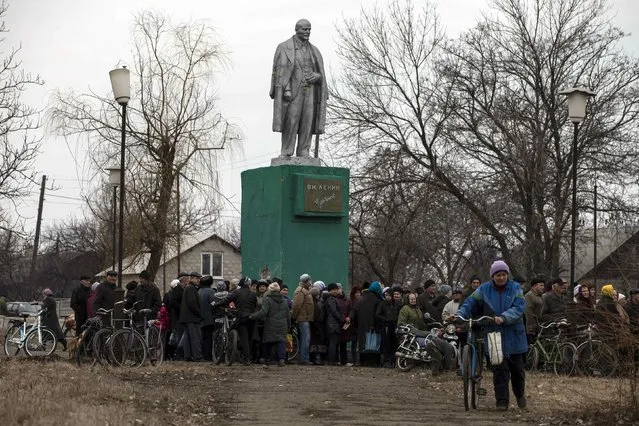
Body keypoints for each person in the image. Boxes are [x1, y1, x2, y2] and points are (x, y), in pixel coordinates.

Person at [455, 260, 527, 411]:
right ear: (493, 276)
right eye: (498, 275)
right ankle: (502, 401)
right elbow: (470, 303)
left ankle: (520, 395)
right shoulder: (483, 289)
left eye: (503, 274)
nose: (501, 278)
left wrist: (504, 317)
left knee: (518, 372)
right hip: (494, 335)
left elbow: (519, 307)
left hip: (514, 335)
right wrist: (460, 314)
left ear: (507, 275)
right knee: (499, 370)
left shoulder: (515, 288)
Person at [270, 19, 328, 158]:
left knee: (307, 122)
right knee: (291, 121)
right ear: (297, 29)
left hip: (310, 93)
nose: (308, 32)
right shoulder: (284, 47)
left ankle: (304, 151)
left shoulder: (314, 51)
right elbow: (278, 71)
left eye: (309, 29)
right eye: (305, 29)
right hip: (292, 92)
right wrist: (286, 89)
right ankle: (286, 151)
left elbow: (322, 75)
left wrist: (317, 76)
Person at [249, 282, 291, 366]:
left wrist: (252, 316)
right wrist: (289, 326)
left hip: (270, 324)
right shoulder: (284, 300)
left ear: (270, 290)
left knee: (268, 342)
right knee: (281, 341)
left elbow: (263, 312)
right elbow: (288, 315)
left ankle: (266, 359)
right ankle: (281, 359)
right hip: (283, 324)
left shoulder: (268, 299)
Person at [352, 281, 383, 366]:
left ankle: (362, 361)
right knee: (373, 343)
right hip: (374, 326)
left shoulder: (360, 299)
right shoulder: (377, 299)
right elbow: (377, 314)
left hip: (361, 325)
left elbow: (354, 312)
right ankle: (374, 362)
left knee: (363, 344)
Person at [291, 273, 314, 365]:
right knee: (305, 339)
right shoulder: (300, 291)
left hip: (305, 318)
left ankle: (304, 358)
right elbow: (296, 305)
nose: (311, 282)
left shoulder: (304, 290)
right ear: (306, 281)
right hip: (302, 319)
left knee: (304, 339)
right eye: (309, 280)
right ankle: (304, 359)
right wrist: (294, 317)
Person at [180, 272, 203, 362]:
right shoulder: (191, 288)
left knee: (188, 337)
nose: (198, 281)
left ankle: (188, 356)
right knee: (195, 337)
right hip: (192, 317)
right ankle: (197, 356)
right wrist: (199, 313)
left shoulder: (189, 288)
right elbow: (192, 303)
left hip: (187, 317)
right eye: (197, 279)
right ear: (192, 278)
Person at [325, 283, 346, 365]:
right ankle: (332, 361)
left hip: (332, 323)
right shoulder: (331, 299)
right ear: (329, 291)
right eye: (333, 290)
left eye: (336, 289)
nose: (335, 291)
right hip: (333, 324)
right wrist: (341, 319)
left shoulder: (332, 299)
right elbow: (334, 312)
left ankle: (333, 360)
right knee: (333, 343)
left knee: (334, 343)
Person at [198, 275, 216, 361]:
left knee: (201, 337)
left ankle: (200, 353)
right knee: (208, 338)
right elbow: (213, 303)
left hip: (199, 317)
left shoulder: (199, 291)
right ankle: (207, 355)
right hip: (209, 318)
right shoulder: (211, 292)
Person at [524, 277, 545, 343]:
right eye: (541, 285)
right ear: (534, 286)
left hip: (539, 325)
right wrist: (531, 327)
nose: (543, 287)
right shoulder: (529, 295)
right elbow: (528, 312)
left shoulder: (540, 296)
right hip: (531, 327)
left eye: (543, 285)